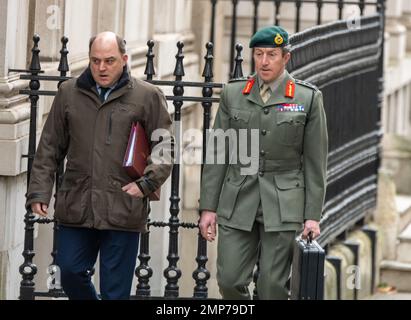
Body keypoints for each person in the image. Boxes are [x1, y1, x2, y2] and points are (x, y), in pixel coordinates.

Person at [26, 32, 174, 300]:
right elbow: (49, 146)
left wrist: (146, 185)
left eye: (109, 61)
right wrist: (39, 191)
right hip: (76, 204)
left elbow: (164, 148)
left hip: (123, 205)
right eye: (95, 61)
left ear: (125, 59)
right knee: (69, 271)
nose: (102, 68)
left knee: (114, 291)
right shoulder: (69, 93)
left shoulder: (147, 96)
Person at [199, 26, 328, 300]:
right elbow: (218, 154)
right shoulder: (234, 93)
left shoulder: (306, 98)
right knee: (229, 280)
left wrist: (312, 215)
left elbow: (316, 163)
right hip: (238, 199)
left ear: (286, 58)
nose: (264, 61)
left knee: (272, 288)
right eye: (259, 54)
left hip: (283, 204)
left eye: (271, 54)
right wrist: (208, 207)